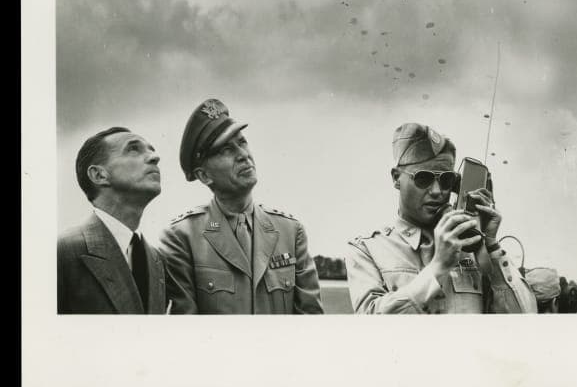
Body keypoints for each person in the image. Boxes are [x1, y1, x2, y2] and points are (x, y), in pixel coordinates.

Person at [346, 122, 537, 314]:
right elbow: (369, 327)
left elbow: (525, 321)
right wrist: (438, 267)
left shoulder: (471, 247)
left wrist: (491, 247)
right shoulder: (367, 250)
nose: (437, 191)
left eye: (446, 180)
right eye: (423, 178)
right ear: (396, 178)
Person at [158, 98, 324, 314]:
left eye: (242, 142)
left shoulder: (290, 231)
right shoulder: (182, 237)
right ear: (204, 175)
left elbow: (311, 321)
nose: (243, 154)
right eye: (226, 149)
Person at [57, 127, 167, 314]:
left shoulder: (157, 260)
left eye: (151, 149)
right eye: (133, 149)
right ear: (99, 175)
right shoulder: (62, 251)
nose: (154, 157)